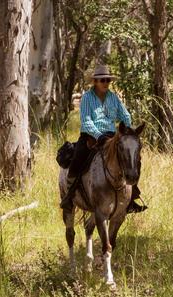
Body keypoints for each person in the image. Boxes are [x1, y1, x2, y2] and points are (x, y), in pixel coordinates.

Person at [60, 64, 147, 213]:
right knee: (77, 161)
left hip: (112, 137)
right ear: (95, 82)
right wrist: (98, 136)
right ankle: (69, 196)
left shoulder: (113, 97)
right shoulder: (87, 97)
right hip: (91, 136)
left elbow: (125, 115)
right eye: (102, 80)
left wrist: (127, 132)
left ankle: (131, 198)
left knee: (130, 160)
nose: (105, 83)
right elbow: (87, 121)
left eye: (107, 80)